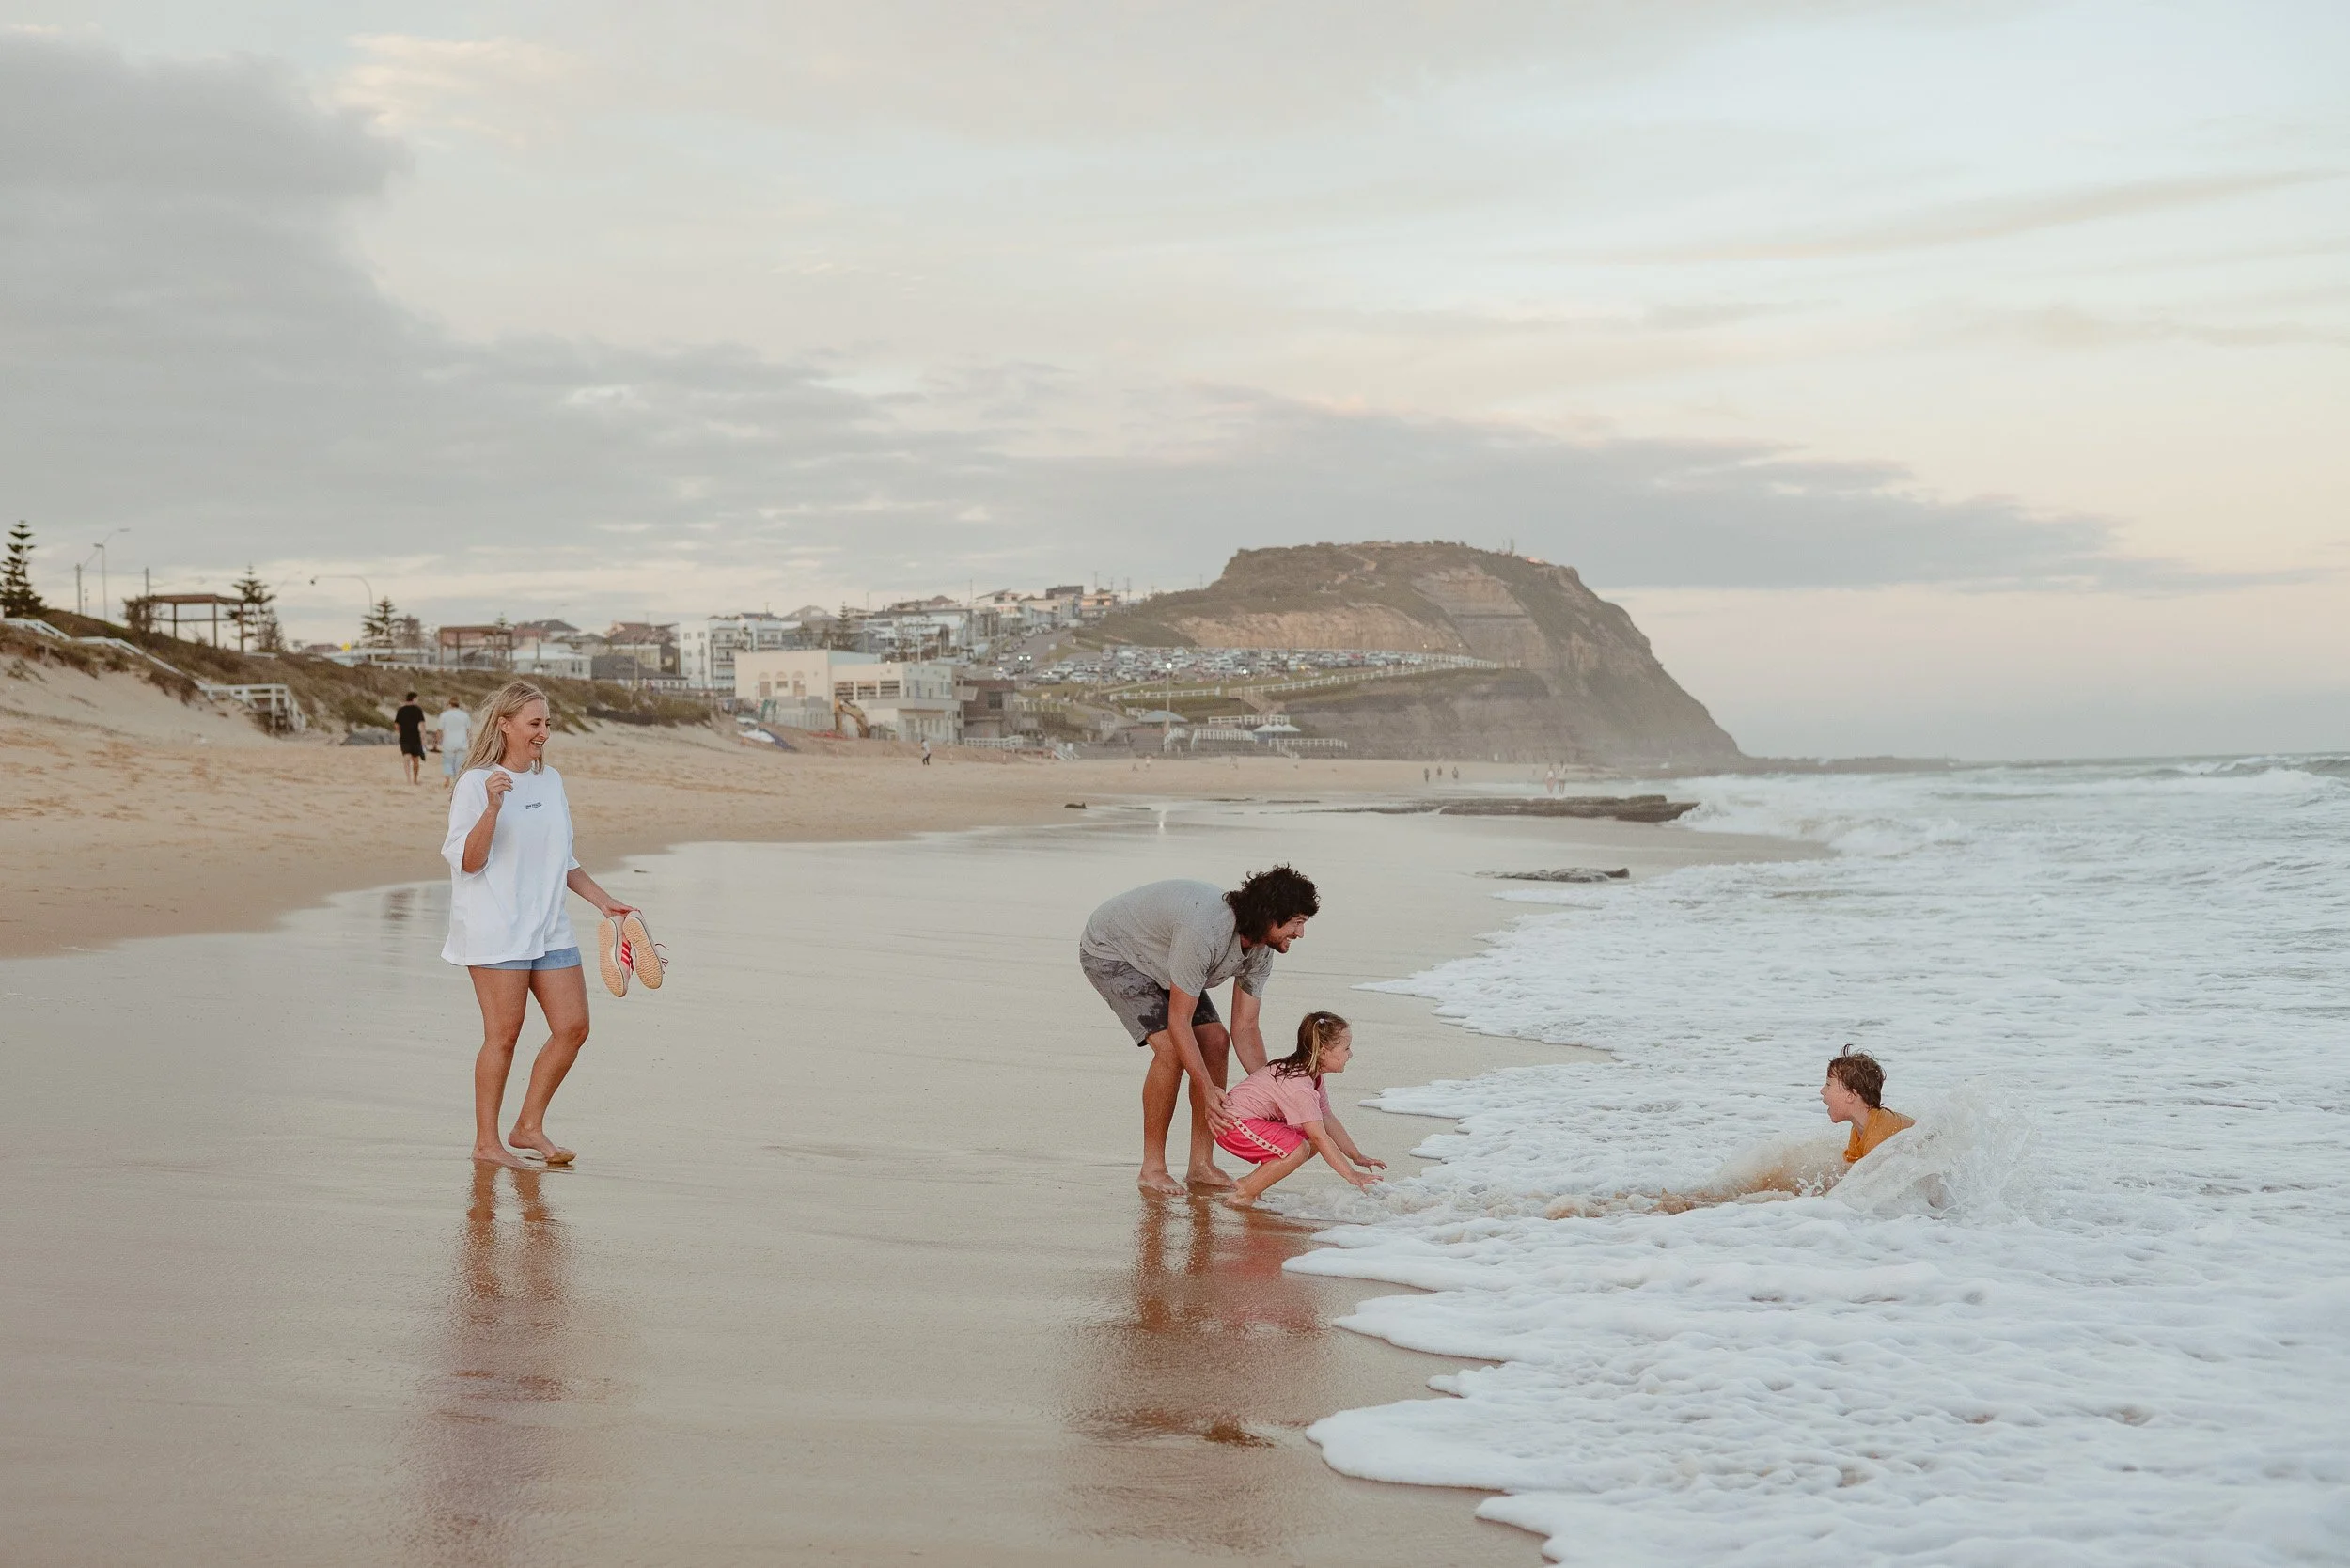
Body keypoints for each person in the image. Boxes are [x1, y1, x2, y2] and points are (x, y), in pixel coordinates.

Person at [441, 681, 641, 1169]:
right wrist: (492, 807)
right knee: (503, 1035)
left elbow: (564, 861)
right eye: (534, 724)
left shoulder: (551, 782)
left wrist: (604, 902)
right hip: (495, 929)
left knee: (573, 1027)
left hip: (549, 927)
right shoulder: (474, 784)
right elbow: (469, 862)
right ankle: (486, 1142)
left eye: (547, 724)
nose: (543, 733)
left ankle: (528, 1125)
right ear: (504, 725)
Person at [1079, 866, 1320, 1195]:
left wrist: (1274, 1090)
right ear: (1270, 916)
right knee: (1172, 1050)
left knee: (1216, 1039)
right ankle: (1152, 1168)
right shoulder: (1206, 931)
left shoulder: (1261, 952)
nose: (1300, 934)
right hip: (1115, 951)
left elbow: (1246, 1028)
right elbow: (1180, 1023)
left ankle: (1201, 1165)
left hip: (1165, 958)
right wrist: (1206, 1086)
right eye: (1297, 923)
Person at [1219, 1011, 1384, 1207]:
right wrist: (1350, 1175)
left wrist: (1356, 1156)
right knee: (1299, 1148)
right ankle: (1243, 1195)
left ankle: (1249, 1183)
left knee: (1309, 1139)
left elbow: (1327, 1118)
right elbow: (1320, 1137)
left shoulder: (1313, 1076)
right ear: (1323, 1051)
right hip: (1232, 1123)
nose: (1350, 1054)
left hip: (1252, 1121)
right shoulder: (1299, 1087)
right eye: (1346, 1048)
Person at [1822, 1047, 1914, 1165]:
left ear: (1851, 1095)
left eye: (1828, 1084)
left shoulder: (1879, 1134)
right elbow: (1849, 1172)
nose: (1822, 1091)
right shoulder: (1858, 1130)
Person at [434, 696, 471, 794]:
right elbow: (468, 731)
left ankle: (447, 779)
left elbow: (439, 730)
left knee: (447, 761)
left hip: (448, 742)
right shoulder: (464, 715)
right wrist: (470, 742)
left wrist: (436, 742)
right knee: (459, 764)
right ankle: (457, 782)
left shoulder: (444, 715)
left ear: (450, 705)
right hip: (462, 742)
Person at [395, 691, 428, 785]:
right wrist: (423, 738)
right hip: (415, 738)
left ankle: (408, 780)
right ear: (414, 699)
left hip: (404, 738)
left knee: (406, 758)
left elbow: (396, 725)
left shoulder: (400, 710)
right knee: (416, 760)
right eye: (417, 699)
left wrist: (402, 732)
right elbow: (422, 725)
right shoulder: (418, 710)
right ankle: (415, 780)